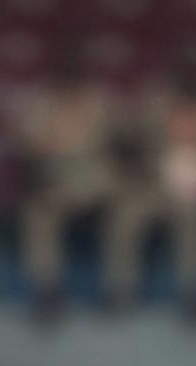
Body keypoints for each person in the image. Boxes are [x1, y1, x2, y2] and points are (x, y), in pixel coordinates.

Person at [106, 43, 196, 319]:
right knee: (124, 214)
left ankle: (193, 294)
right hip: (153, 181)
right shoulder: (158, 95)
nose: (191, 75)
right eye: (186, 68)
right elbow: (135, 137)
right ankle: (120, 291)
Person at [14, 40, 120, 320]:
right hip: (55, 180)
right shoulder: (41, 101)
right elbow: (29, 146)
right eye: (67, 67)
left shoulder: (100, 100)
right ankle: (47, 290)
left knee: (124, 209)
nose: (72, 72)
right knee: (37, 211)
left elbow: (120, 145)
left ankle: (116, 291)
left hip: (96, 183)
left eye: (77, 67)